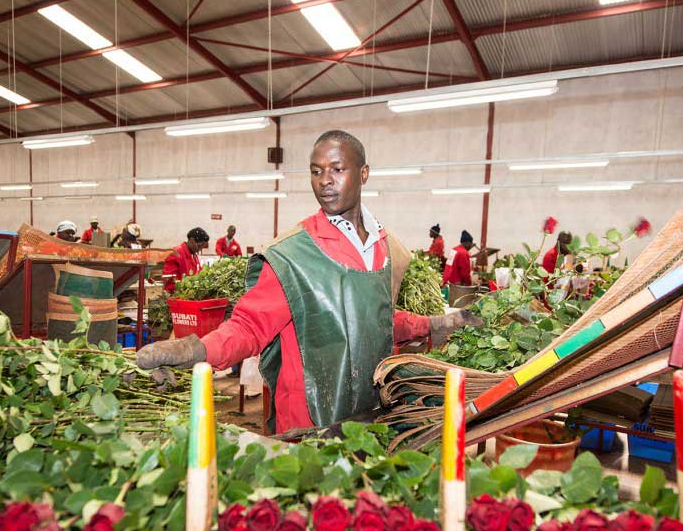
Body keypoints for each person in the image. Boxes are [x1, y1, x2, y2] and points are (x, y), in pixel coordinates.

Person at [136, 130, 480, 434]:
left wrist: (434, 323)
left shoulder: (388, 250)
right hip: (309, 422)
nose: (324, 180)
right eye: (316, 172)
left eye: (337, 169)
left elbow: (376, 321)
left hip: (371, 415)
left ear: (364, 174)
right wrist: (192, 350)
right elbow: (248, 327)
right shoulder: (293, 255)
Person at [162, 227, 209, 292]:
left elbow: (198, 273)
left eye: (202, 247)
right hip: (174, 294)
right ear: (192, 240)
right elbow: (168, 278)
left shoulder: (194, 255)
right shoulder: (176, 253)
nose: (200, 249)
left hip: (186, 293)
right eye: (199, 246)